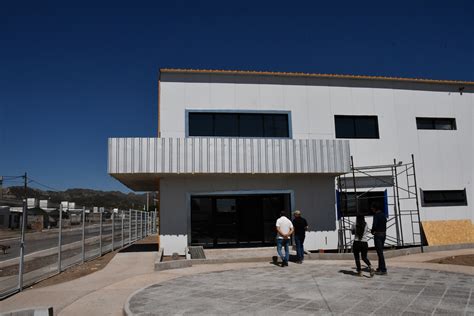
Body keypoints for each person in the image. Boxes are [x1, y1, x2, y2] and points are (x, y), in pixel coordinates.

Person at [371, 202, 387, 275]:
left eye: (372, 208)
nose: (372, 209)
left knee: (380, 253)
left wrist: (372, 231)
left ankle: (383, 269)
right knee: (380, 252)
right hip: (383, 234)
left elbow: (374, 225)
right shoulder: (383, 215)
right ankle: (380, 267)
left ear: (375, 208)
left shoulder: (376, 215)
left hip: (378, 235)